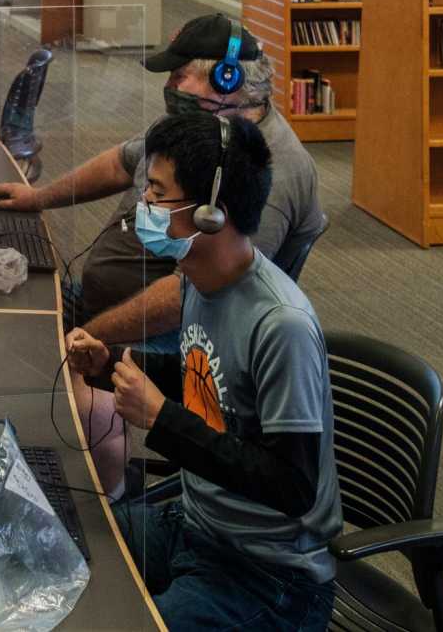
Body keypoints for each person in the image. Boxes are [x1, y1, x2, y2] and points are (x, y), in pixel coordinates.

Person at [0, 14, 325, 486]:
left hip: (181, 330)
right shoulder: (200, 126)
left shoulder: (268, 173)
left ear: (229, 79)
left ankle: (109, 495)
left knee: (69, 377)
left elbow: (194, 296)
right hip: (116, 302)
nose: (170, 85)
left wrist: (93, 333)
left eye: (180, 73)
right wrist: (37, 197)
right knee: (5, 313)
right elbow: (122, 162)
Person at [67, 111, 340, 631]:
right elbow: (203, 377)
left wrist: (160, 418)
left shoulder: (281, 325)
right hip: (198, 525)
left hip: (268, 574)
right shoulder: (199, 279)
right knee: (63, 548)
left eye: (157, 191)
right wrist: (110, 366)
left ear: (212, 212)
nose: (142, 205)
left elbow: (292, 484)